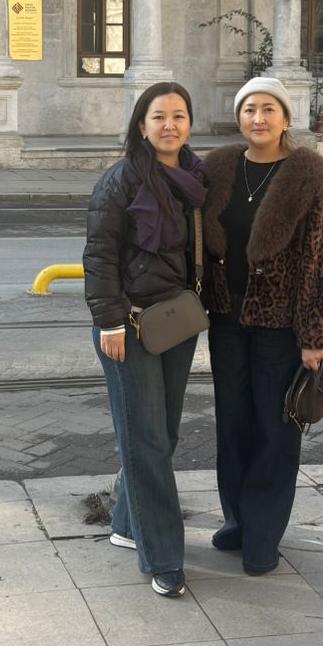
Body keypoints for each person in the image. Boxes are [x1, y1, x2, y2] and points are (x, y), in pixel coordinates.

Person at [203, 77, 323, 574]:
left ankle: (262, 537)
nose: (258, 118)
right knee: (232, 424)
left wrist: (315, 337)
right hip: (226, 319)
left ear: (286, 118)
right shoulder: (218, 169)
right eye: (249, 109)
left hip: (281, 326)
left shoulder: (310, 177)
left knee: (276, 429)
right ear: (238, 117)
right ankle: (238, 521)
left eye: (268, 109)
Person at [84, 83, 208, 598]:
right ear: (142, 125)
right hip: (129, 327)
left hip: (175, 321)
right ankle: (163, 558)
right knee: (147, 440)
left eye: (179, 115)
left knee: (164, 435)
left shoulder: (196, 178)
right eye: (159, 116)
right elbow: (99, 256)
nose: (169, 125)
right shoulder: (121, 181)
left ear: (190, 124)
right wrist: (110, 322)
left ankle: (127, 524)